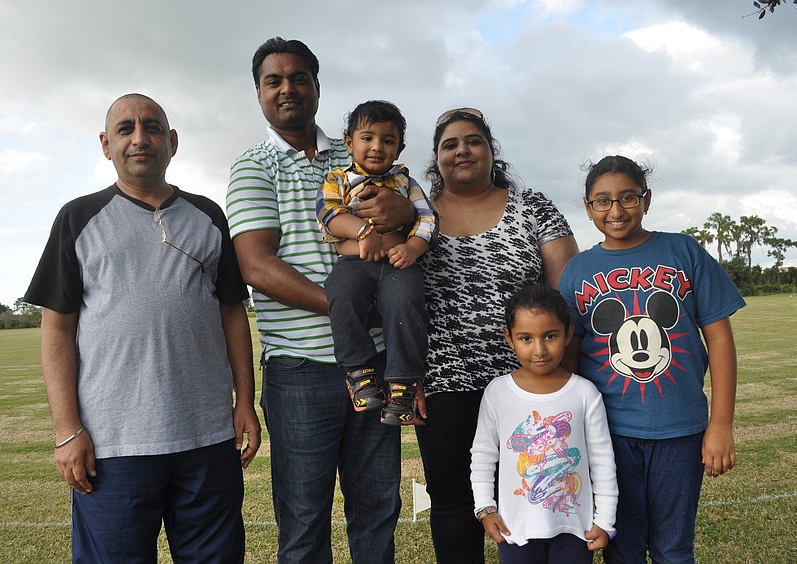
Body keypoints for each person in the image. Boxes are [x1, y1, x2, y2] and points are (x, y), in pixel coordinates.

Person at [25, 93, 260, 562]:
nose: (140, 138)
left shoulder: (208, 216)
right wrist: (67, 430)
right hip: (113, 445)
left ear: (172, 141)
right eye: (125, 129)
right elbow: (56, 330)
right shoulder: (78, 218)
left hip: (207, 438)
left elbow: (232, 312)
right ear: (105, 144)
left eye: (152, 128)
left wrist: (245, 403)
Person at [226, 38, 417, 563]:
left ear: (316, 86)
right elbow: (256, 266)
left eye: (299, 78)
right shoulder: (253, 166)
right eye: (273, 80)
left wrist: (403, 211)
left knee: (377, 512)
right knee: (304, 521)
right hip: (300, 369)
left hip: (375, 360)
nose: (287, 88)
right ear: (259, 92)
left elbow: (406, 216)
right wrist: (346, 308)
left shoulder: (357, 151)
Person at [558, 155, 745, 563]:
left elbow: (719, 339)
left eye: (628, 197)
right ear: (588, 208)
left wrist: (721, 424)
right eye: (602, 201)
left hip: (679, 430)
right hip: (607, 433)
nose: (616, 210)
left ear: (647, 199)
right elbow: (568, 359)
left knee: (673, 547)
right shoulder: (577, 271)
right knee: (620, 546)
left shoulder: (683, 251)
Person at [415, 108, 579, 563]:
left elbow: (569, 299)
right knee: (452, 503)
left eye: (473, 141)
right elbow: (395, 298)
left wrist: (564, 383)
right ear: (436, 158)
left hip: (528, 387)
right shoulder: (416, 213)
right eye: (449, 144)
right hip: (444, 385)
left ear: (492, 150)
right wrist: (405, 376)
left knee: (532, 496)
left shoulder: (533, 207)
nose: (462, 150)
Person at [471, 284, 618, 563]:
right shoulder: (497, 393)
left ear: (568, 333)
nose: (539, 350)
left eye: (550, 336)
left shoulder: (585, 393)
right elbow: (483, 455)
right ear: (509, 337)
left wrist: (605, 519)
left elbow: (602, 460)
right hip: (516, 531)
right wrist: (485, 508)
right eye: (526, 338)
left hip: (575, 531)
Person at [317, 100, 435, 425]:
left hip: (398, 265)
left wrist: (412, 248)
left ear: (399, 148)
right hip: (353, 264)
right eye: (367, 138)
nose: (377, 147)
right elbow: (329, 214)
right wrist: (364, 230)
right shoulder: (338, 179)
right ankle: (359, 373)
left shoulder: (407, 184)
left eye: (388, 140)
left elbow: (428, 219)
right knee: (341, 297)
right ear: (348, 143)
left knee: (406, 304)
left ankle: (404, 386)